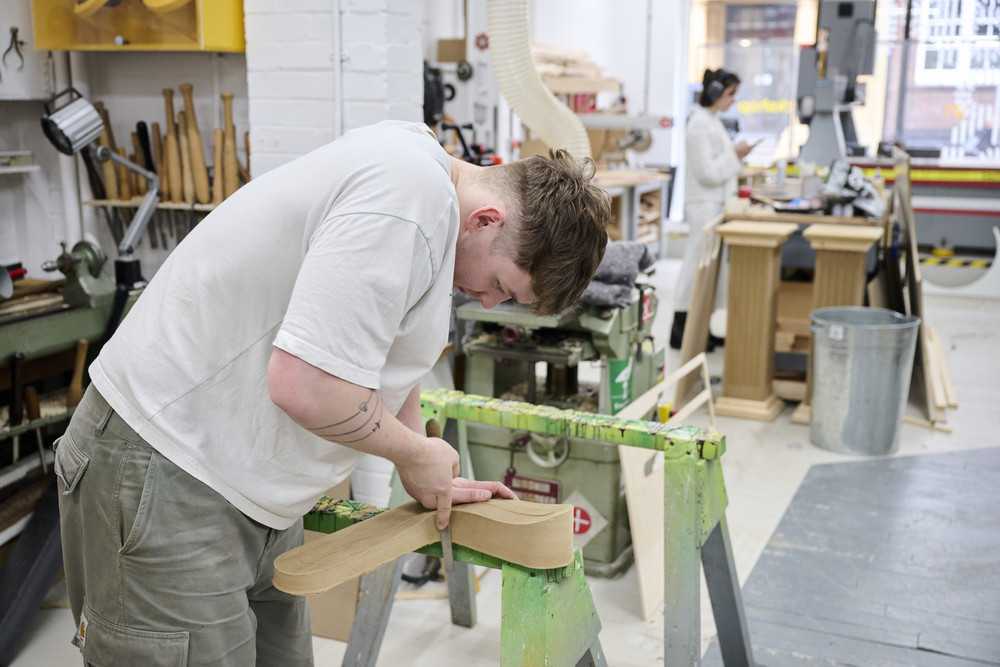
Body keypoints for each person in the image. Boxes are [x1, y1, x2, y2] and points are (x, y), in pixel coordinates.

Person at [53, 120, 610, 666]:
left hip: (248, 492)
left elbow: (382, 339)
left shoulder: (426, 191)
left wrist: (418, 454)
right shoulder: (407, 198)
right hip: (167, 471)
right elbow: (306, 385)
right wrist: (416, 453)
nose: (489, 304)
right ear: (487, 221)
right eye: (499, 286)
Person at [670, 68, 755, 350]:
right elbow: (707, 172)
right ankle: (682, 330)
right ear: (716, 93)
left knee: (709, 270)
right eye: (730, 94)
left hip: (715, 204)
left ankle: (700, 328)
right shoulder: (699, 125)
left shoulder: (711, 121)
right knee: (696, 267)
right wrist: (735, 154)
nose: (733, 100)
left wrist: (737, 158)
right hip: (704, 205)